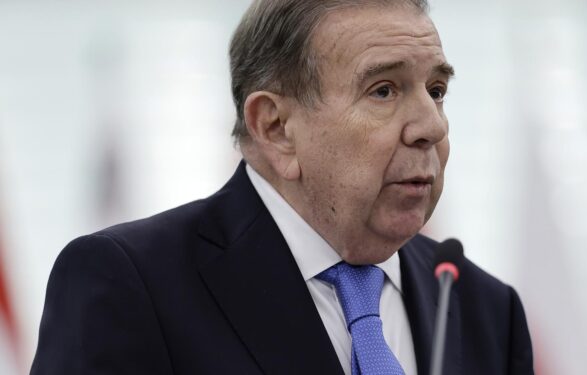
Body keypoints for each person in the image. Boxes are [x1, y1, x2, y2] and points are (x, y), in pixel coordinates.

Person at [31, 0, 534, 374]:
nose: (432, 125)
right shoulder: (129, 284)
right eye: (383, 89)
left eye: (437, 90)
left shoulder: (485, 308)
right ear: (275, 127)